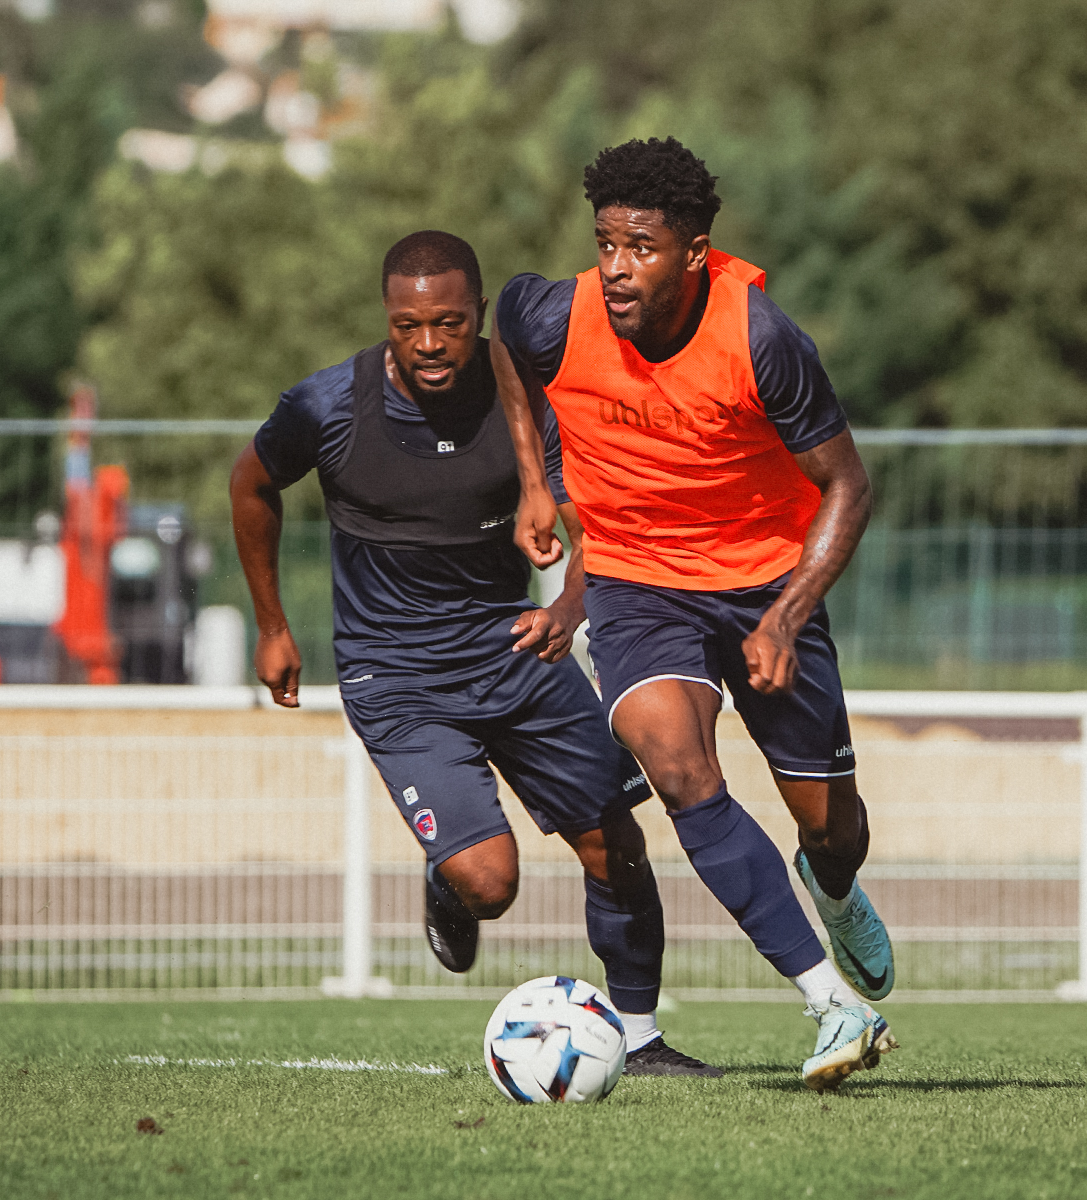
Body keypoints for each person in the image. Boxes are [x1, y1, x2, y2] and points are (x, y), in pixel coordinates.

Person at [229, 229, 718, 1075]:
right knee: (492, 884)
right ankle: (448, 875)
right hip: (398, 676)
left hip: (516, 651)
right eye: (408, 325)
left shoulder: (530, 396)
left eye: (449, 324)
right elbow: (250, 484)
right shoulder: (329, 406)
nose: (428, 344)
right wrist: (273, 624)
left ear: (478, 314)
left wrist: (570, 603)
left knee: (615, 842)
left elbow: (598, 516)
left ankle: (639, 1040)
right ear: (387, 317)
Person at [490, 137, 899, 1090]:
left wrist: (789, 613)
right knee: (675, 764)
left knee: (832, 828)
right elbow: (503, 341)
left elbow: (848, 485)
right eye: (606, 244)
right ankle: (832, 1003)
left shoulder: (762, 339)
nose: (618, 267)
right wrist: (535, 481)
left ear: (696, 252)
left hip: (762, 582)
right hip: (637, 581)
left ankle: (832, 890)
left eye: (641, 248)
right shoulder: (556, 314)